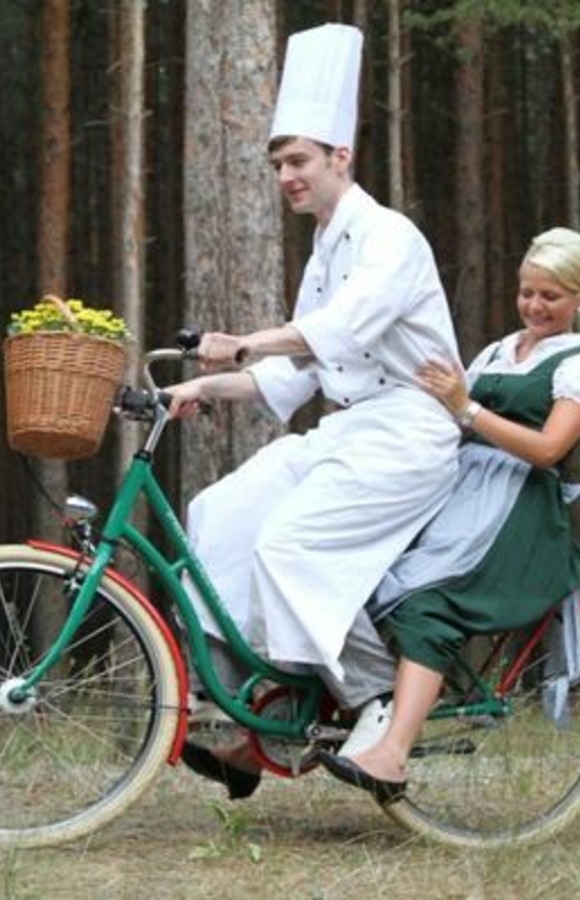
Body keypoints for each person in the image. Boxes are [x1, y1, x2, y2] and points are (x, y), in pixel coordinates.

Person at [166, 23, 462, 799]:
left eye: (298, 161)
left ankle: (376, 699)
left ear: (340, 158)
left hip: (410, 434)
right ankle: (260, 709)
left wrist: (243, 342)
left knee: (289, 545)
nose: (286, 177)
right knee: (220, 512)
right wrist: (198, 389)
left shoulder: (390, 238)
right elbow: (290, 379)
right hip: (351, 429)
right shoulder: (326, 249)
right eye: (277, 166)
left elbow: (342, 329)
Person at [316, 227, 580, 803]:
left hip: (513, 507)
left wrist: (466, 407)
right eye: (527, 292)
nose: (534, 306)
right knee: (350, 574)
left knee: (429, 605)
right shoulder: (499, 350)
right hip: (454, 488)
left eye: (550, 296)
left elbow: (548, 448)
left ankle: (392, 754)